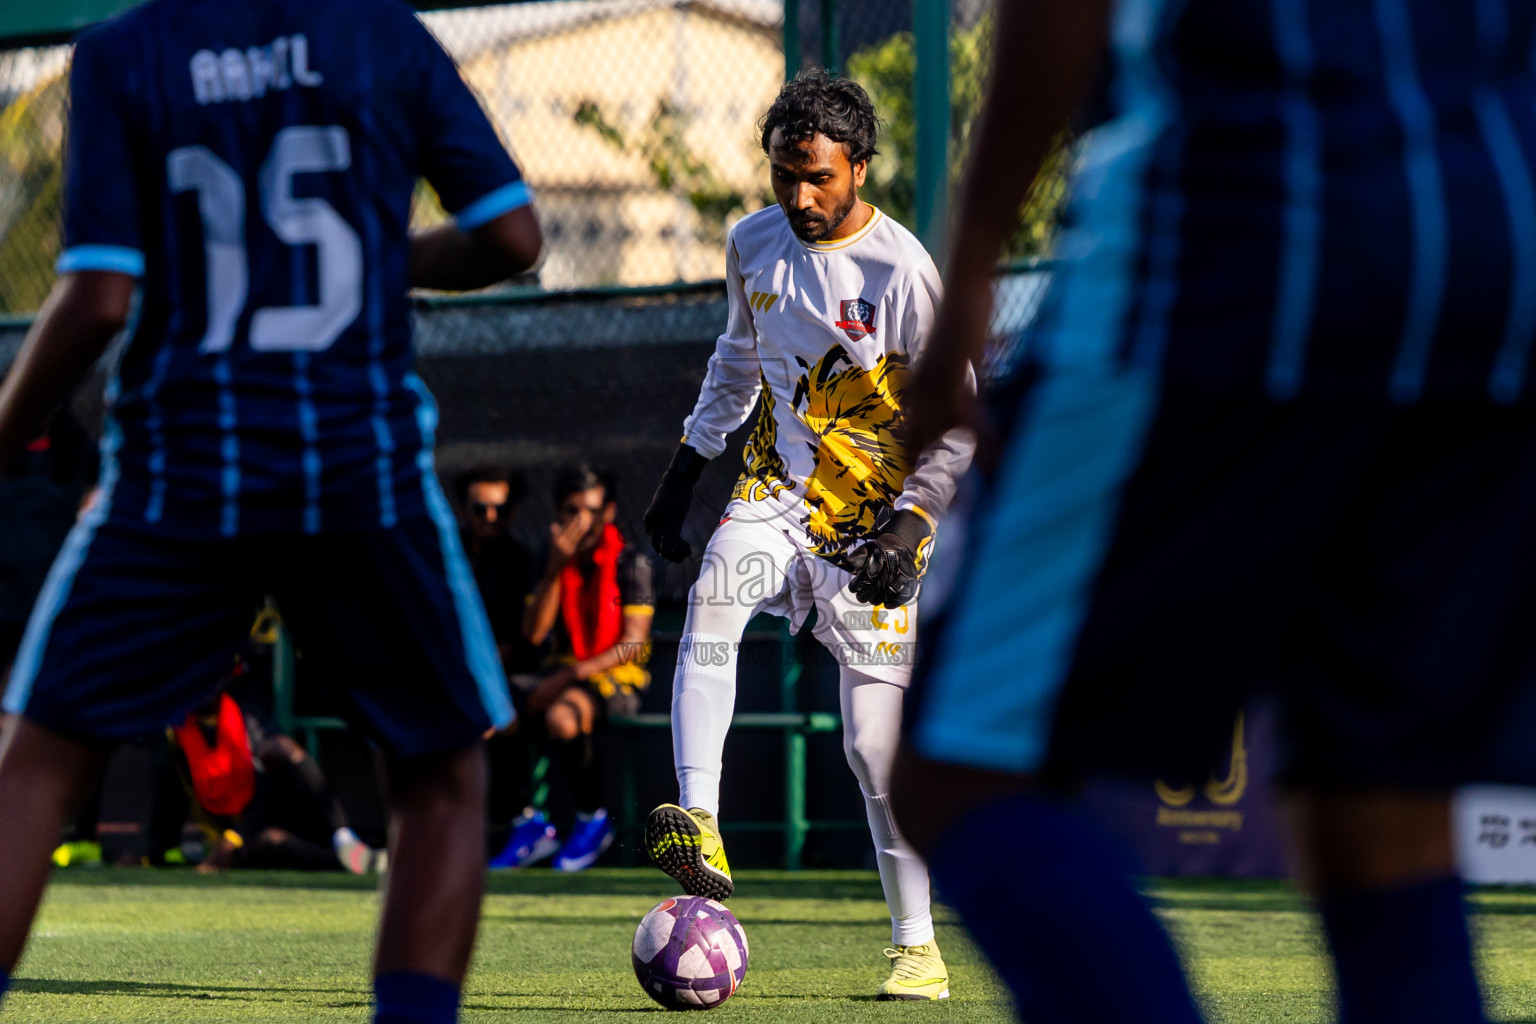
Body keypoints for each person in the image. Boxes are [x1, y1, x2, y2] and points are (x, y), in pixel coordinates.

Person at [893, 3, 1536, 1024]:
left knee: (961, 766)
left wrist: (969, 266)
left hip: (1233, 250)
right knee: (1387, 819)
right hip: (1496, 268)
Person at [0, 0, 542, 1021]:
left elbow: (99, 297)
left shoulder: (123, 52)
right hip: (356, 465)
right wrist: (387, 255)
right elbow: (512, 236)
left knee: (36, 763)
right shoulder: (382, 36)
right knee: (439, 771)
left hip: (180, 470)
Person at [641, 70, 974, 1000]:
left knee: (872, 746)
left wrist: (912, 525)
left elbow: (956, 418)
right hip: (776, 488)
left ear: (859, 168)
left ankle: (918, 948)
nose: (799, 197)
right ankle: (701, 824)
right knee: (714, 594)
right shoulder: (752, 242)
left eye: (818, 177)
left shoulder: (903, 271)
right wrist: (685, 468)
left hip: (876, 519)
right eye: (784, 176)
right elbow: (738, 361)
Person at [493, 463, 653, 872]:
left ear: (609, 511)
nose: (582, 521)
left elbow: (632, 645)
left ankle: (592, 820)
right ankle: (528, 826)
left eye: (592, 511)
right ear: (557, 512)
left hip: (617, 679)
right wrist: (555, 569)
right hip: (557, 673)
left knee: (563, 716)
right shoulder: (549, 558)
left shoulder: (631, 562)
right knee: (488, 711)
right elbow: (533, 634)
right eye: (572, 511)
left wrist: (568, 676)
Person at [172, 684, 385, 874]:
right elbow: (170, 794)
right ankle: (356, 862)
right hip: (234, 835)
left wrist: (236, 837)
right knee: (272, 841)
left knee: (282, 748)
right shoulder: (177, 731)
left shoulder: (251, 718)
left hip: (261, 819)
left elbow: (266, 790)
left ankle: (344, 839)